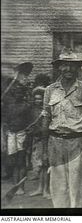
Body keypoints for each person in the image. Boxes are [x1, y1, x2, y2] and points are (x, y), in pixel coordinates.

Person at [42, 50, 82, 208]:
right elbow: (46, 118)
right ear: (59, 67)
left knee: (77, 187)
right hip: (55, 143)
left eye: (72, 65)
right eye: (64, 65)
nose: (68, 69)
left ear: (78, 68)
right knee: (58, 187)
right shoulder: (50, 90)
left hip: (77, 143)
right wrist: (44, 150)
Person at [1, 62, 33, 193]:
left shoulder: (27, 102)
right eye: (16, 92)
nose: (18, 93)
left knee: (22, 160)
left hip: (22, 132)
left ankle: (21, 187)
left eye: (20, 92)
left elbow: (30, 118)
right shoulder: (8, 100)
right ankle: (15, 185)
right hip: (10, 131)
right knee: (13, 161)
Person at [29, 87, 50, 199]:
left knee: (46, 165)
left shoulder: (47, 110)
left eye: (40, 99)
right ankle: (40, 188)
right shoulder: (33, 111)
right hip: (37, 140)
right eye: (36, 99)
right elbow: (31, 126)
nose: (38, 101)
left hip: (47, 140)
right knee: (40, 166)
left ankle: (46, 189)